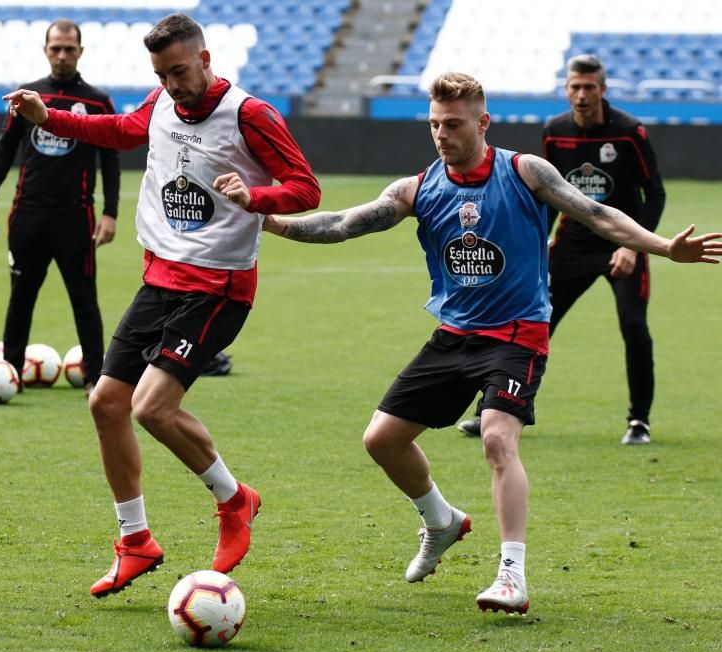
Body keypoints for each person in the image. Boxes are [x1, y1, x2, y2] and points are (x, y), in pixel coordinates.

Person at [262, 72, 720, 614]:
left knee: (498, 440)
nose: (441, 134)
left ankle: (511, 574)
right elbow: (344, 222)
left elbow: (598, 216)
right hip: (453, 335)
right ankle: (441, 520)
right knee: (381, 440)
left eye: (452, 124)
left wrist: (664, 247)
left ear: (482, 123)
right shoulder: (417, 188)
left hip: (517, 333)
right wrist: (272, 223)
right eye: (434, 124)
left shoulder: (525, 172)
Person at [3, 13, 320, 597]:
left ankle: (235, 501)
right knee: (105, 402)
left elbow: (305, 186)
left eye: (179, 71)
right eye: (161, 75)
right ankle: (135, 541)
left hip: (218, 287)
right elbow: (121, 131)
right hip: (160, 280)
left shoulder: (251, 115)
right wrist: (50, 117)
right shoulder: (161, 103)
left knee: (151, 408)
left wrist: (256, 196)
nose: (172, 85)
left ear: (205, 59)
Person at [457, 54, 667, 444]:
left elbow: (654, 194)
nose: (582, 94)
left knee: (634, 328)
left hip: (621, 245)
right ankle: (495, 410)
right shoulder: (555, 130)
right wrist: (542, 244)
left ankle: (639, 422)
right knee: (527, 326)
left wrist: (634, 246)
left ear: (602, 90)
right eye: (575, 86)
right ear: (566, 89)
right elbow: (547, 194)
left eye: (589, 87)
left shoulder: (628, 132)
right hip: (571, 246)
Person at [0, 19, 120, 393]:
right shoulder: (27, 97)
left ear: (80, 52)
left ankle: (95, 377)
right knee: (20, 297)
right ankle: (8, 374)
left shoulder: (97, 101)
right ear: (45, 50)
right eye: (55, 48)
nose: (61, 55)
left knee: (84, 299)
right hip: (27, 213)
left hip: (76, 215)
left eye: (69, 49)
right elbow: (5, 146)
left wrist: (111, 212)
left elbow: (110, 158)